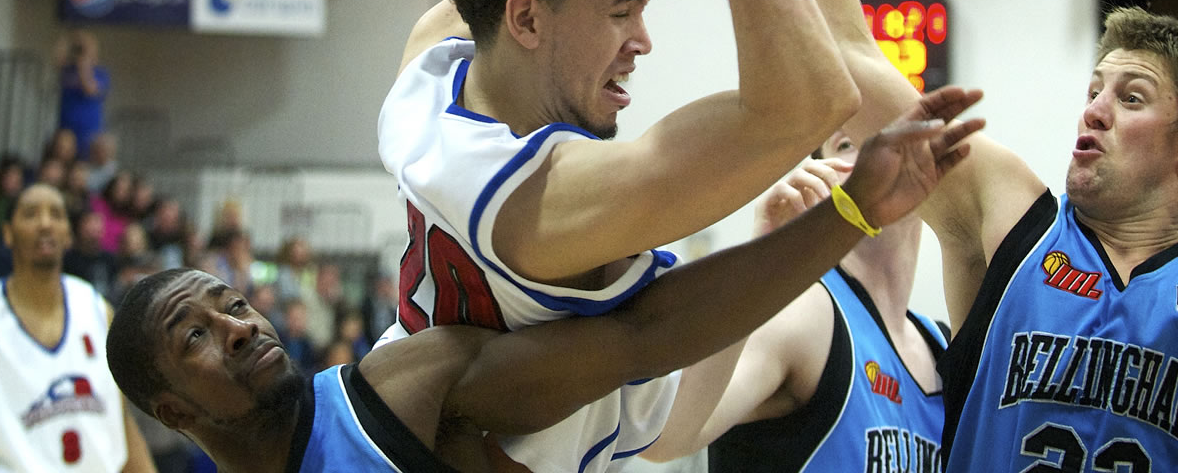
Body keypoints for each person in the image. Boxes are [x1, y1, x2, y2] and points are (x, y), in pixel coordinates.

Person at [376, 0, 867, 471]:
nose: (644, 40)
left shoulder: (434, 64)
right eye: (621, 14)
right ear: (528, 18)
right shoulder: (546, 205)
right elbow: (808, 102)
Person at [104, 98, 982, 473]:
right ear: (173, 411)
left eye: (233, 303)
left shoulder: (402, 394)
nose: (240, 327)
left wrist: (847, 214)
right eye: (197, 336)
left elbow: (645, 341)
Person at [706, 0, 1178, 469]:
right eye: (1092, 91)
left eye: (1131, 98)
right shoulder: (1015, 218)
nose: (1095, 110)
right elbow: (851, 53)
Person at [662, 132, 948, 470]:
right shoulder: (803, 312)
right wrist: (760, 263)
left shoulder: (943, 346)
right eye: (847, 143)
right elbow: (665, 437)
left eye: (887, 131)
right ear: (819, 176)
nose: (878, 154)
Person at [0, 183, 155, 472]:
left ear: (68, 235)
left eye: (56, 214)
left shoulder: (97, 308)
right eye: (30, 214)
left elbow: (120, 419)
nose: (45, 223)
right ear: (8, 234)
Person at [56, 29, 110, 157]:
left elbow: (90, 89)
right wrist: (71, 40)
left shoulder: (101, 73)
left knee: (85, 160)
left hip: (89, 128)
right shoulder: (67, 70)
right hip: (66, 125)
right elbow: (58, 57)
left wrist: (85, 64)